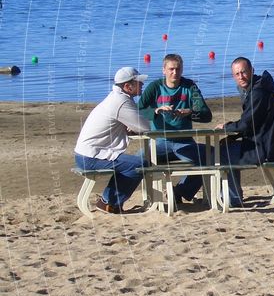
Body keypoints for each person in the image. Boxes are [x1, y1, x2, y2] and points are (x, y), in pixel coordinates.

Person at [215, 57, 274, 207]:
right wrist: (233, 133)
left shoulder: (258, 93)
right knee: (224, 147)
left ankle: (232, 198)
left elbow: (246, 124)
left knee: (222, 153)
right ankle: (231, 195)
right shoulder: (256, 89)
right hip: (267, 143)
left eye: (243, 72)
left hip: (267, 147)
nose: (241, 76)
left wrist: (227, 127)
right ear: (233, 76)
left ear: (252, 71)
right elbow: (253, 123)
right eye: (237, 74)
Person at [137, 53, 212, 203]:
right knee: (137, 160)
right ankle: (144, 198)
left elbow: (206, 115)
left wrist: (189, 112)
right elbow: (139, 109)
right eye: (171, 69)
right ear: (163, 70)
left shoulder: (189, 86)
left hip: (185, 142)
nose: (175, 73)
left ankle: (179, 192)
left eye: (178, 69)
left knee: (211, 157)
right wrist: (156, 111)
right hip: (159, 142)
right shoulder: (155, 86)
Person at [74, 67, 150, 214]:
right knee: (139, 165)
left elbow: (135, 124)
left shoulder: (117, 98)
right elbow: (145, 126)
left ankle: (109, 201)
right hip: (90, 156)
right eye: (139, 82)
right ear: (128, 86)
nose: (142, 85)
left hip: (85, 153)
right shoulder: (120, 101)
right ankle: (108, 202)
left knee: (134, 163)